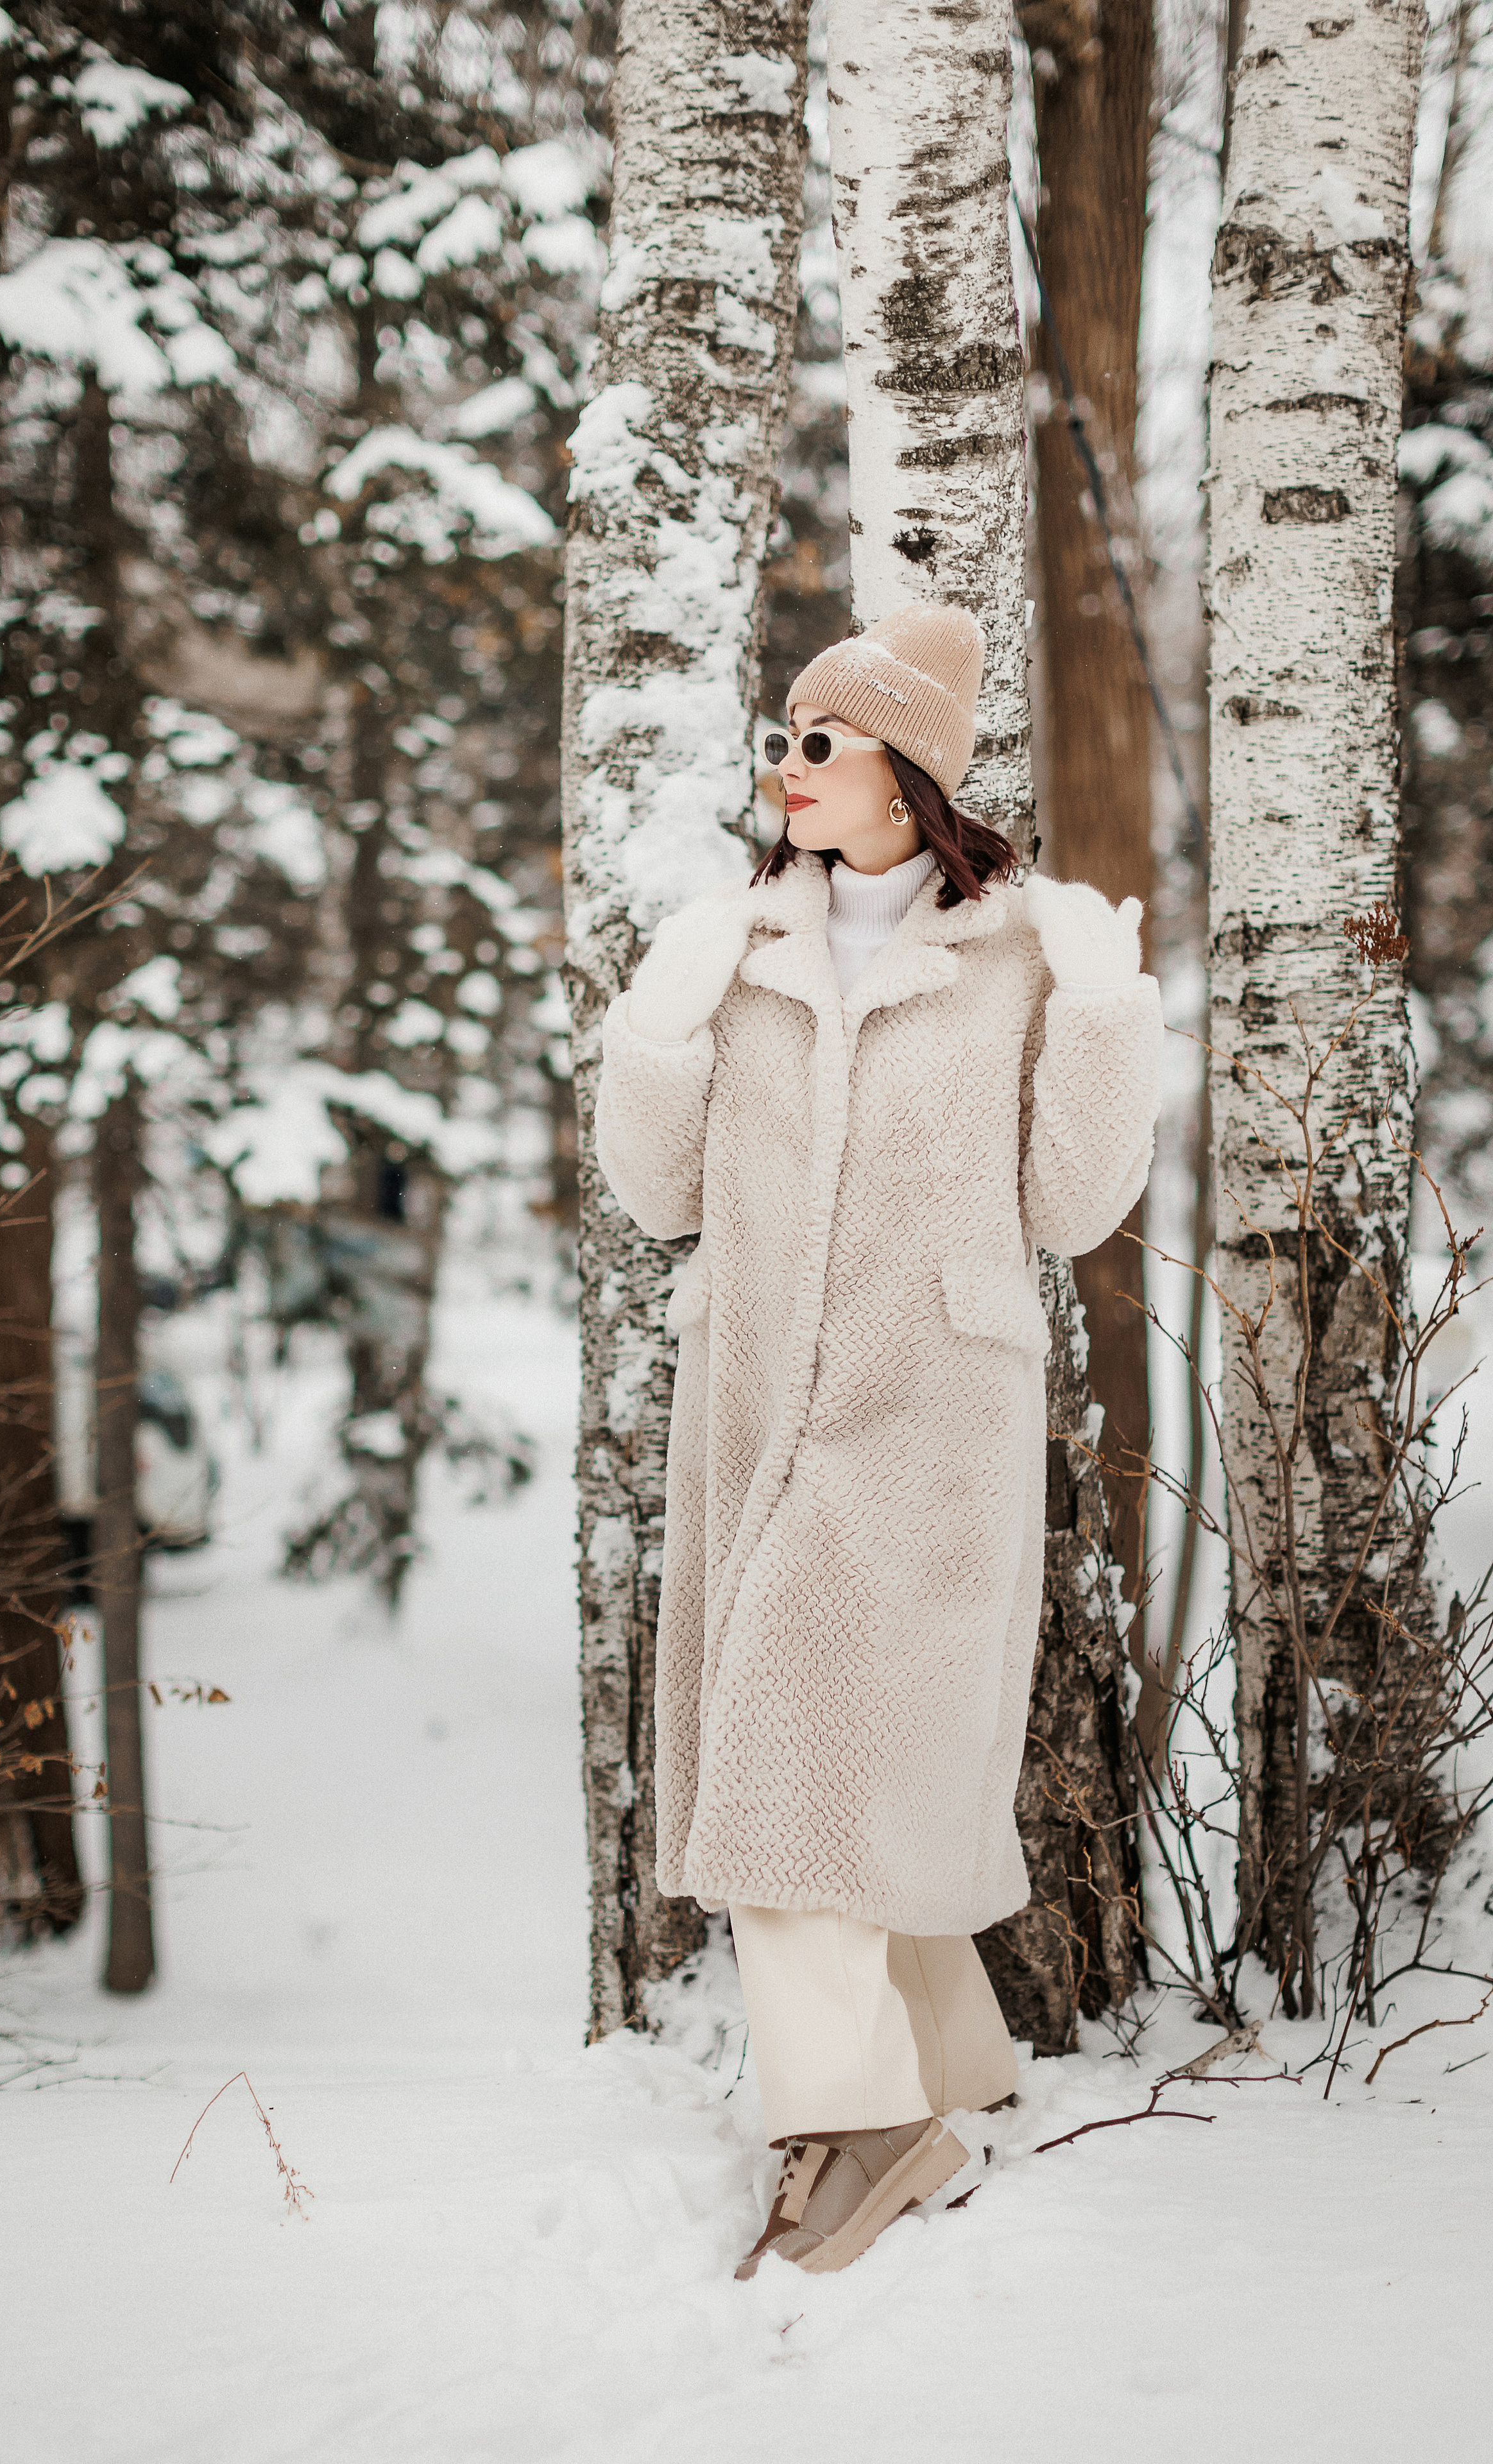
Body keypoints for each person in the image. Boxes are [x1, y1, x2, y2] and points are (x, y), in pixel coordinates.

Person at [593, 601, 1162, 2280]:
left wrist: (1113, 1018)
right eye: (783, 736)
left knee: (802, 1768)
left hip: (928, 1430)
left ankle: (859, 2129)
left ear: (912, 777)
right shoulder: (743, 944)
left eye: (820, 742)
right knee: (808, 1754)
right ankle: (946, 2079)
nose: (788, 767)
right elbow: (656, 1196)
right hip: (758, 1412)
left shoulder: (1012, 960)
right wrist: (658, 1030)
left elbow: (1072, 1207)